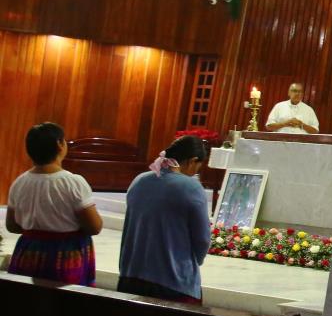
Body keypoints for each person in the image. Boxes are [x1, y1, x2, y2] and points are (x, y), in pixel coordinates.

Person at [5, 122, 103, 285]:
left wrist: (37, 229)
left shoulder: (19, 182)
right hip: (64, 256)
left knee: (26, 303)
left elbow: (12, 226)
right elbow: (94, 227)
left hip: (28, 252)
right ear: (59, 144)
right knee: (61, 306)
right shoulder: (72, 182)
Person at [118, 135, 211, 304]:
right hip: (172, 282)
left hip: (131, 276)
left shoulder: (139, 180)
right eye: (197, 167)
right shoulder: (191, 187)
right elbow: (202, 239)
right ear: (192, 161)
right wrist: (194, 261)